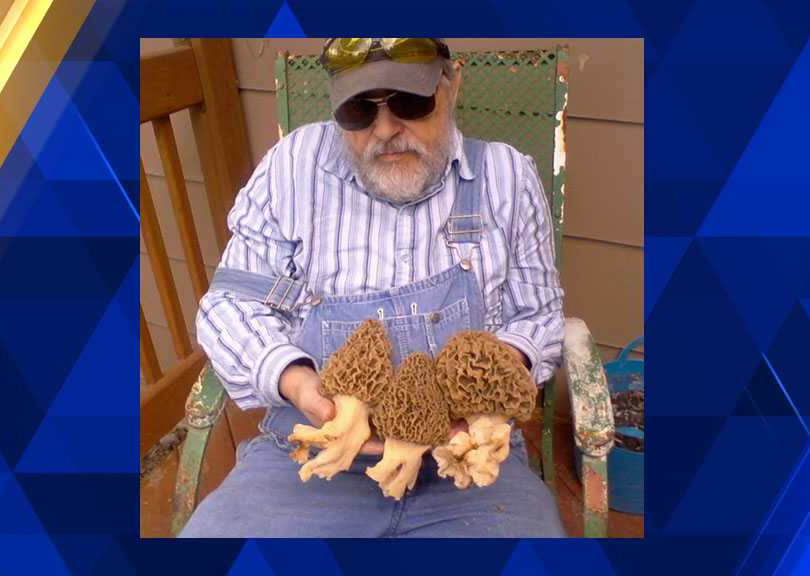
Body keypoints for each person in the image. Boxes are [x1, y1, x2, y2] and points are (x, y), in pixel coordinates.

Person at [181, 38, 566, 537]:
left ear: (451, 84)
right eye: (359, 111)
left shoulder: (506, 178)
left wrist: (485, 389)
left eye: (410, 103)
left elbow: (538, 315)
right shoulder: (292, 168)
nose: (386, 130)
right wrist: (302, 386)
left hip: (466, 467)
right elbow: (230, 304)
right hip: (311, 461)